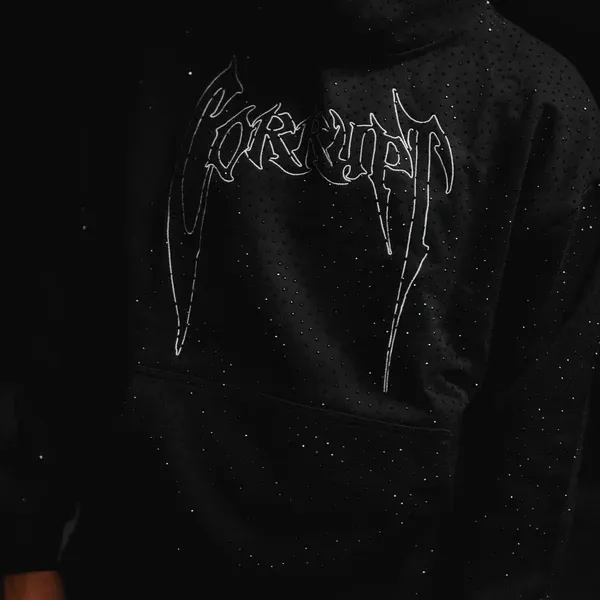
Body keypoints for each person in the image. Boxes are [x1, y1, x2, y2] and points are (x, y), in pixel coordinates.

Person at [3, 1, 599, 598]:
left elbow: (538, 418)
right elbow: (58, 309)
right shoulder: (142, 46)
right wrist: (22, 546)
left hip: (398, 575)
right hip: (131, 557)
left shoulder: (539, 100)